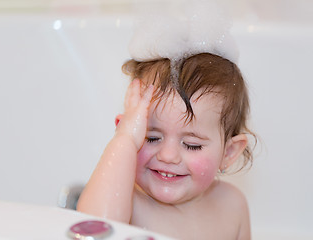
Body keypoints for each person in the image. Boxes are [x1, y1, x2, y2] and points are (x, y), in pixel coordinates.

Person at [77, 2, 255, 239]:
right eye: (151, 138)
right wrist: (126, 140)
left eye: (192, 144)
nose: (167, 156)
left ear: (229, 153)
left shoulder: (232, 205)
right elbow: (95, 230)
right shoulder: (130, 205)